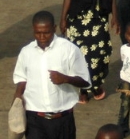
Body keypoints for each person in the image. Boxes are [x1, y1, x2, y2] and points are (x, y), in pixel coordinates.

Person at [13, 11, 91, 139]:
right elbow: (21, 78)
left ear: (54, 29)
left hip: (63, 119)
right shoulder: (26, 52)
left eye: (46, 32)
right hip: (35, 119)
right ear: (33, 29)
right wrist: (17, 96)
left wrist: (66, 78)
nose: (42, 37)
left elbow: (85, 81)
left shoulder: (69, 49)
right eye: (38, 33)